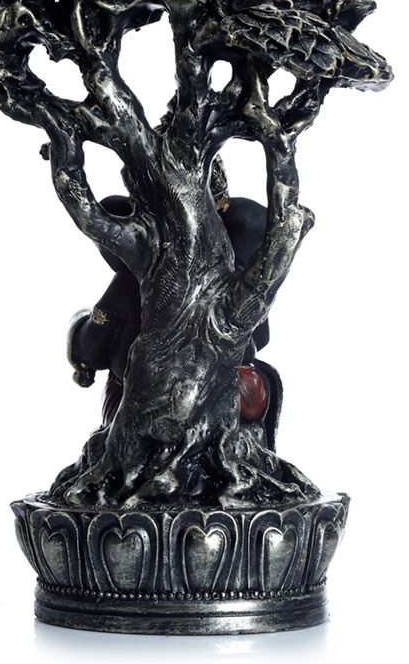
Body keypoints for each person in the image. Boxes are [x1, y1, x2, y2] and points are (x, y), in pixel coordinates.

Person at [66, 160, 284, 451]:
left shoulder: (132, 283)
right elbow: (263, 336)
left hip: (162, 397)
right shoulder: (234, 284)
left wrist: (81, 335)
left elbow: (91, 349)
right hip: (212, 390)